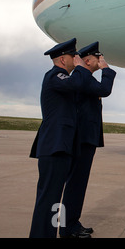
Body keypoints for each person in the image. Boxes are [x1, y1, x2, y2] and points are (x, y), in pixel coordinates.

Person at [29, 38, 91, 238]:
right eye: (74, 56)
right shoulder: (56, 76)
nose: (77, 59)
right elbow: (76, 83)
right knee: (48, 200)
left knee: (55, 200)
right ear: (63, 60)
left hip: (61, 148)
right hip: (54, 148)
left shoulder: (62, 77)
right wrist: (83, 68)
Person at [60, 42, 116, 238]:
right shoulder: (82, 77)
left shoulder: (84, 78)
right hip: (81, 139)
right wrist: (107, 70)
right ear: (88, 60)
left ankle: (72, 224)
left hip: (85, 138)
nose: (100, 62)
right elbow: (105, 90)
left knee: (78, 184)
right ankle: (68, 228)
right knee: (75, 184)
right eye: (98, 59)